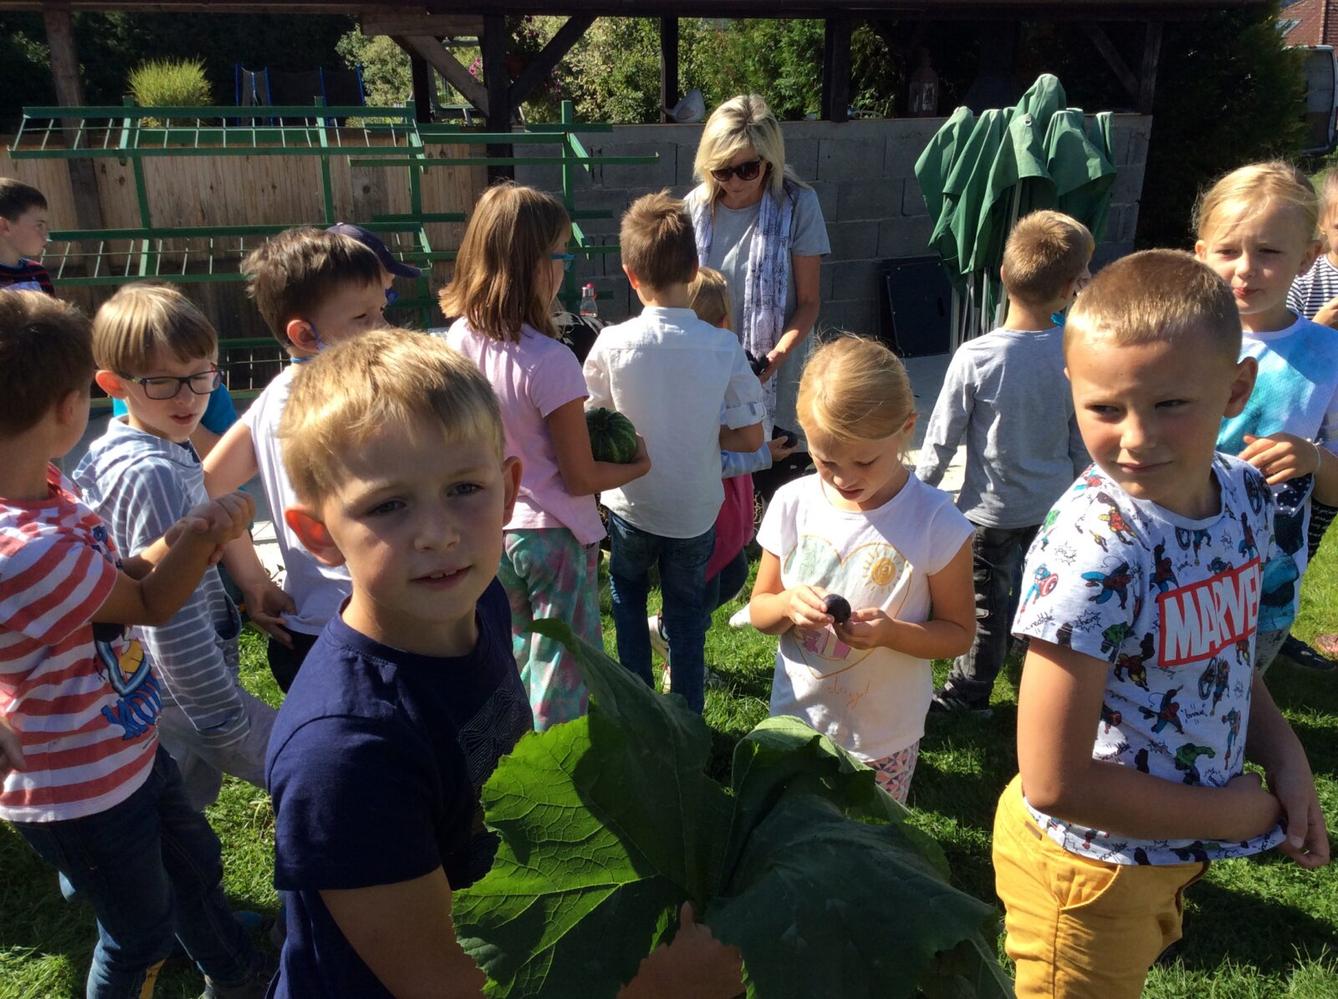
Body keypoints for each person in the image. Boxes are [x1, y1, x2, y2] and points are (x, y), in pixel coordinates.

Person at [268, 329, 744, 999]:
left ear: (510, 486)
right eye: (388, 504)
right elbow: (443, 984)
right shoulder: (346, 752)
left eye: (464, 487)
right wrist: (659, 987)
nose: (439, 531)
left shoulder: (482, 600)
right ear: (318, 532)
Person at [995, 250, 1329, 999]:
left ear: (1236, 386)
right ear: (1071, 388)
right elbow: (1052, 779)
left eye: (1170, 404)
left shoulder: (1243, 496)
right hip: (1088, 872)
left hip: (1167, 850)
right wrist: (1227, 810)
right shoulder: (1094, 552)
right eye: (1106, 408)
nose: (1137, 436)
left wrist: (1284, 753)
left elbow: (1226, 658)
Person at [0, 290, 269, 999]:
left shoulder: (48, 492)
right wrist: (205, 532)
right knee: (137, 933)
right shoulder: (28, 548)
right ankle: (176, 946)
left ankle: (231, 964)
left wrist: (182, 536)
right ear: (71, 405)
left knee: (192, 859)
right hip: (78, 785)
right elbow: (148, 602)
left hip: (126, 741)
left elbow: (114, 575)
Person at [440, 183, 650, 729]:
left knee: (511, 653)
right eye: (561, 253)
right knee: (564, 666)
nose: (564, 266)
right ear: (535, 265)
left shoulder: (457, 340)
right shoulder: (550, 362)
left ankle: (511, 756)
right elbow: (579, 476)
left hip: (491, 527)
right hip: (553, 535)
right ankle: (563, 776)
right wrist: (636, 466)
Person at [746, 336, 976, 803]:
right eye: (825, 460)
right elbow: (759, 611)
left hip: (882, 738)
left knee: (870, 843)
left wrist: (892, 633)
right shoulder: (793, 503)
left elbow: (957, 634)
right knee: (796, 836)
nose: (844, 477)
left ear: (906, 428)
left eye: (865, 460)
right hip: (796, 723)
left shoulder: (935, 522)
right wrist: (788, 604)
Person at [74, 284, 277, 810]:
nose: (188, 398)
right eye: (163, 382)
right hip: (182, 685)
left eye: (201, 376)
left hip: (146, 685)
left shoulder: (128, 441)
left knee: (169, 801)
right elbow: (173, 616)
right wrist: (222, 711)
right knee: (295, 762)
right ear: (114, 383)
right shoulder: (152, 472)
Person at [584, 191, 765, 714]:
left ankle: (639, 710)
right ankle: (688, 724)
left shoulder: (612, 343)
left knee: (627, 600)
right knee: (687, 618)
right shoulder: (723, 346)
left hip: (631, 507)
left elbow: (594, 424)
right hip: (694, 511)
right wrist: (705, 435)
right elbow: (751, 439)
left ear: (628, 273)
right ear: (694, 267)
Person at [917, 210, 1093, 714]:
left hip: (989, 513)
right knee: (1048, 593)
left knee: (985, 609)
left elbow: (941, 437)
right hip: (1057, 508)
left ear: (1002, 274)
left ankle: (968, 694)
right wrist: (1087, 491)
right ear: (1069, 289)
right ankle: (1043, 671)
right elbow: (1080, 434)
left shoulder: (976, 356)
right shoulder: (1073, 352)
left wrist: (917, 493)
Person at [203, 226, 388, 691]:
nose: (381, 328)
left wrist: (252, 579)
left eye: (383, 310)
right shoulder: (362, 398)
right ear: (305, 333)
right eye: (363, 317)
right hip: (374, 629)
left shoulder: (273, 396)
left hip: (307, 633)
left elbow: (208, 485)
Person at [1193, 161, 1338, 673]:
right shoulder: (1175, 337)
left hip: (1265, 578)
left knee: (1236, 694)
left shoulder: (1329, 356)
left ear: (1308, 258)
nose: (1245, 268)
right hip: (1170, 562)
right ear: (1202, 254)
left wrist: (1313, 457)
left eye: (1269, 252)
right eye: (1229, 250)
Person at [650, 266, 795, 685]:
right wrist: (762, 454)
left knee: (729, 574)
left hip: (728, 502)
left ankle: (666, 629)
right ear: (721, 323)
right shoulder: (700, 379)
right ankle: (680, 660)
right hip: (709, 502)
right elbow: (715, 457)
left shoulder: (709, 368)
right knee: (703, 588)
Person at [684, 95, 830, 462]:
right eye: (722, 170)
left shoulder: (798, 204)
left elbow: (809, 303)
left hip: (779, 389)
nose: (733, 181)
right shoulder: (694, 208)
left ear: (770, 161)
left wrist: (776, 356)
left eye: (747, 169)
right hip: (707, 387)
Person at [1283, 168, 1338, 666]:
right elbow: (1284, 332)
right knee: (1300, 529)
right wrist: (1322, 326)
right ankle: (1276, 620)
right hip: (1305, 424)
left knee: (1320, 519)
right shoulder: (1310, 277)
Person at [0, 178, 53, 294]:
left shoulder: (38, 273)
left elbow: (52, 312)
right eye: (39, 225)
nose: (46, 235)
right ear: (5, 226)